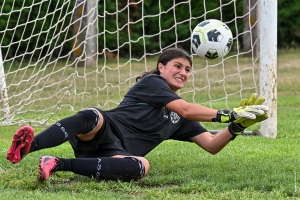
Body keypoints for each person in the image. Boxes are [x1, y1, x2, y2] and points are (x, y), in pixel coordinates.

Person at [6, 47, 268, 182]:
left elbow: (211, 145)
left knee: (141, 166)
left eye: (188, 69)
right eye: (177, 66)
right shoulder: (153, 84)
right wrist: (229, 114)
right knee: (92, 115)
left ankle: (56, 163)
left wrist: (236, 127)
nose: (183, 72)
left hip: (114, 152)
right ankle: (28, 147)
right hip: (102, 130)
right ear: (161, 67)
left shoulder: (180, 121)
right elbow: (186, 108)